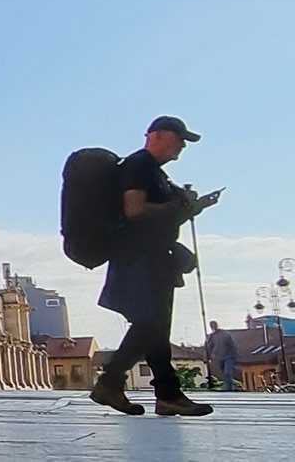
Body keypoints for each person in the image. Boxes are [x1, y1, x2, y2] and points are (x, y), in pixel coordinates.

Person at [89, 117, 219, 418]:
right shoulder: (139, 166)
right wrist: (178, 206)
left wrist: (193, 208)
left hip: (153, 258)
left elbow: (161, 217)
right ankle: (114, 383)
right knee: (150, 325)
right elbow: (134, 210)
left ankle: (165, 395)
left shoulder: (155, 173)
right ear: (158, 137)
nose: (183, 146)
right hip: (139, 260)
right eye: (179, 139)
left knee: (154, 328)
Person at [205, 320, 239, 392]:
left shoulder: (226, 334)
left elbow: (232, 345)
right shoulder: (212, 336)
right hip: (220, 357)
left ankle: (229, 387)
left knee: (227, 372)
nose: (212, 327)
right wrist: (209, 355)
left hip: (229, 356)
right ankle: (228, 384)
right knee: (224, 373)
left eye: (213, 325)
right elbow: (210, 347)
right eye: (211, 326)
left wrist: (235, 354)